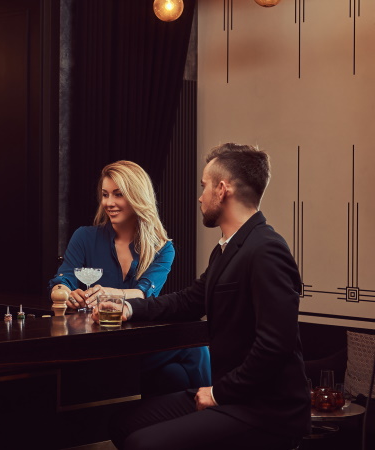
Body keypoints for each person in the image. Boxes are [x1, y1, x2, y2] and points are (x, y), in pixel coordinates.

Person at [109, 144, 311, 449]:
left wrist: (218, 393)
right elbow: (190, 300)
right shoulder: (227, 248)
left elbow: (275, 347)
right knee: (124, 423)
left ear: (222, 189)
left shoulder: (267, 249)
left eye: (204, 186)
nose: (201, 196)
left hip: (265, 410)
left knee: (142, 443)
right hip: (232, 395)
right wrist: (130, 309)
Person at [49, 161, 210, 396]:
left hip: (137, 345)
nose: (109, 203)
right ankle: (213, 414)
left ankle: (182, 424)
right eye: (105, 195)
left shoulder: (162, 248)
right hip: (93, 345)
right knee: (191, 355)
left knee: (175, 373)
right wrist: (67, 293)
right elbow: (62, 280)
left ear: (137, 197)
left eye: (118, 194)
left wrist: (110, 293)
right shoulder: (84, 237)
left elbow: (144, 293)